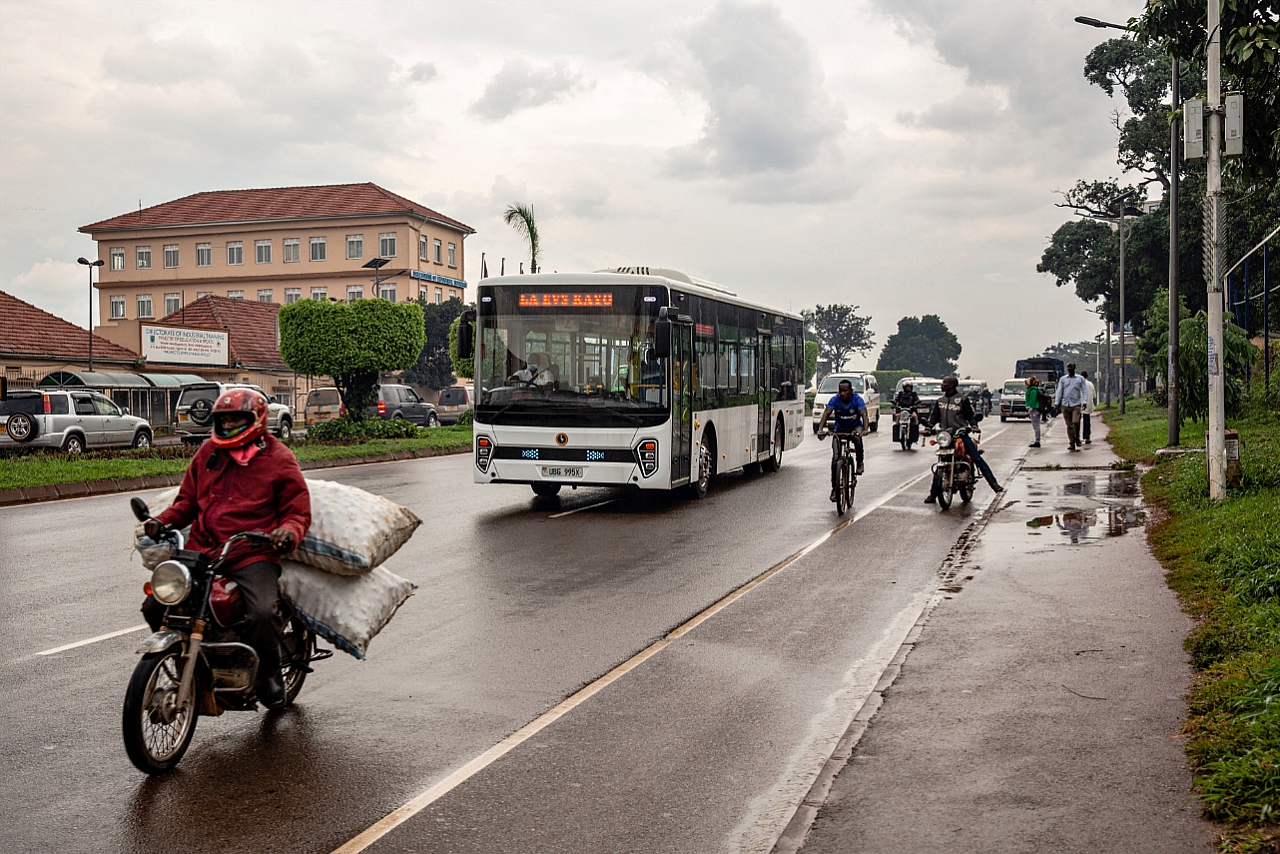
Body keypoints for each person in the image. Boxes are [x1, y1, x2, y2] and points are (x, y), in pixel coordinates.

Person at [141, 388, 311, 710]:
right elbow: (187, 502)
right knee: (155, 606)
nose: (229, 425)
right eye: (224, 419)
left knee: (261, 612)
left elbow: (297, 512)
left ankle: (270, 672)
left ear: (256, 419)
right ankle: (186, 663)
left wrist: (287, 532)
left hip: (251, 553)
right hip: (202, 549)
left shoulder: (279, 458)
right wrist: (161, 521)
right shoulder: (208, 452)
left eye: (236, 419)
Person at [924, 376, 1003, 502]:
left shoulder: (962, 399)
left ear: (952, 385)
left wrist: (974, 426)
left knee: (976, 457)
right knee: (941, 462)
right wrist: (928, 428)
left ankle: (994, 484)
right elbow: (934, 417)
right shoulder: (940, 401)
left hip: (960, 434)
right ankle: (933, 495)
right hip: (946, 436)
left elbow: (970, 415)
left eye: (945, 383)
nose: (942, 384)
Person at [817, 378, 868, 501]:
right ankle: (835, 490)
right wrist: (820, 429)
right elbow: (826, 413)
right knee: (835, 459)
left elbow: (864, 414)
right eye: (840, 391)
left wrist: (865, 429)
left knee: (857, 439)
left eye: (845, 391)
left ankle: (860, 463)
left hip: (854, 427)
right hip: (839, 429)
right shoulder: (835, 399)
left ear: (851, 391)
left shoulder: (857, 399)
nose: (842, 393)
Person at [1054, 362, 1088, 451]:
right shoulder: (1063, 379)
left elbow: (1084, 390)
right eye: (1068, 367)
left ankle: (1077, 437)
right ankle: (1071, 443)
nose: (1069, 369)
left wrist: (1084, 401)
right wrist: (1057, 403)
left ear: (1074, 368)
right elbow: (1059, 391)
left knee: (1075, 422)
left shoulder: (1080, 379)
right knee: (1069, 425)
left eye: (1071, 367)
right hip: (1066, 404)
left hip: (1076, 404)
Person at [1025, 376, 1044, 447]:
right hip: (1036, 409)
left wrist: (1029, 410)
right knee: (1036, 426)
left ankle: (1037, 441)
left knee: (1036, 426)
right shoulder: (1035, 389)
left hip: (1034, 410)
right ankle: (1037, 440)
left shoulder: (1032, 391)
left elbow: (1032, 401)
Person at [1080, 370, 1097, 445]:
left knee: (1076, 422)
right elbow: (1094, 395)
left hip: (1079, 404)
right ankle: (1087, 437)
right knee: (1087, 421)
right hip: (1088, 404)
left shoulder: (1079, 384)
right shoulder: (1090, 384)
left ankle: (1077, 437)